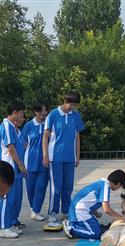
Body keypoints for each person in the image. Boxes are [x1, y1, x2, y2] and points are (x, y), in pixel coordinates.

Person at [41, 91, 85, 228]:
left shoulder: (75, 116)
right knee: (56, 187)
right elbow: (45, 136)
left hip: (70, 158)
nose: (73, 107)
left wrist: (77, 155)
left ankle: (66, 211)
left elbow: (77, 137)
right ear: (65, 101)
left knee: (68, 187)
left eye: (75, 105)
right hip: (55, 157)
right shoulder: (53, 115)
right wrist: (45, 156)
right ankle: (53, 213)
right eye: (71, 104)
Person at [63, 169, 125, 240]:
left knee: (98, 228)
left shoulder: (102, 183)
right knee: (95, 233)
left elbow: (91, 201)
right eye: (120, 186)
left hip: (78, 209)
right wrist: (121, 217)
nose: (118, 188)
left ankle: (76, 224)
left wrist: (96, 213)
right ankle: (71, 228)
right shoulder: (105, 187)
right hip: (79, 211)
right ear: (118, 184)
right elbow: (106, 209)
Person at [0, 100, 27, 239]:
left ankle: (10, 223)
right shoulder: (6, 126)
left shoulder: (14, 128)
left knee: (15, 199)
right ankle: (3, 227)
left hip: (16, 170)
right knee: (7, 198)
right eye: (21, 113)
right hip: (8, 168)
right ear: (15, 112)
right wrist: (20, 165)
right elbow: (11, 148)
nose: (22, 116)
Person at [21, 102, 50, 221]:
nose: (43, 113)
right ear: (35, 112)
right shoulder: (28, 126)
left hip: (45, 163)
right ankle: (33, 209)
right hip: (30, 162)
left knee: (41, 188)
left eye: (45, 110)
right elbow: (23, 144)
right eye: (40, 111)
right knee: (30, 189)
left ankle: (36, 211)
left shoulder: (49, 124)